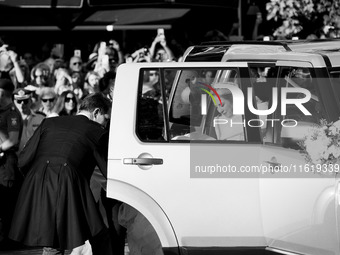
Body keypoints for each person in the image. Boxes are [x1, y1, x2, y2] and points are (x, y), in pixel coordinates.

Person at [9, 93, 113, 255]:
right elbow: (109, 170)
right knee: (98, 235)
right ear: (96, 112)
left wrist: (35, 180)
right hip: (69, 182)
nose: (105, 124)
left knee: (52, 241)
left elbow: (24, 158)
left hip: (38, 181)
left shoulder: (49, 122)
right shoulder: (96, 131)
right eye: (105, 119)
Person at [0, 79, 23, 248]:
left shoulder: (12, 113)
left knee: (7, 202)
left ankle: (10, 241)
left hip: (7, 163)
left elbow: (13, 140)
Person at [13, 88, 45, 154]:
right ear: (14, 102)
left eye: (25, 101)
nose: (22, 104)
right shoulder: (8, 120)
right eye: (19, 101)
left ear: (31, 101)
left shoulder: (41, 118)